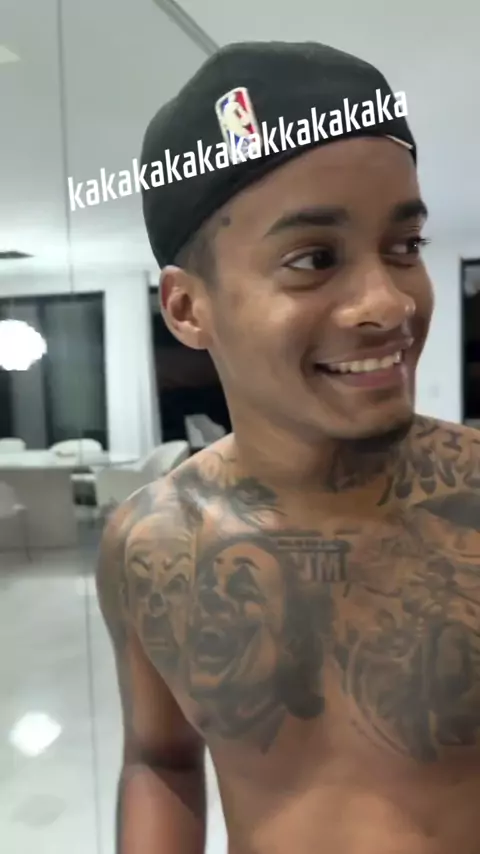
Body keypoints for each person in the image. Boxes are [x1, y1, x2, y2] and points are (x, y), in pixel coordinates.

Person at [96, 41, 480, 854]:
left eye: (405, 247)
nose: (388, 303)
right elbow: (160, 760)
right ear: (188, 309)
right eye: (314, 259)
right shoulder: (148, 546)